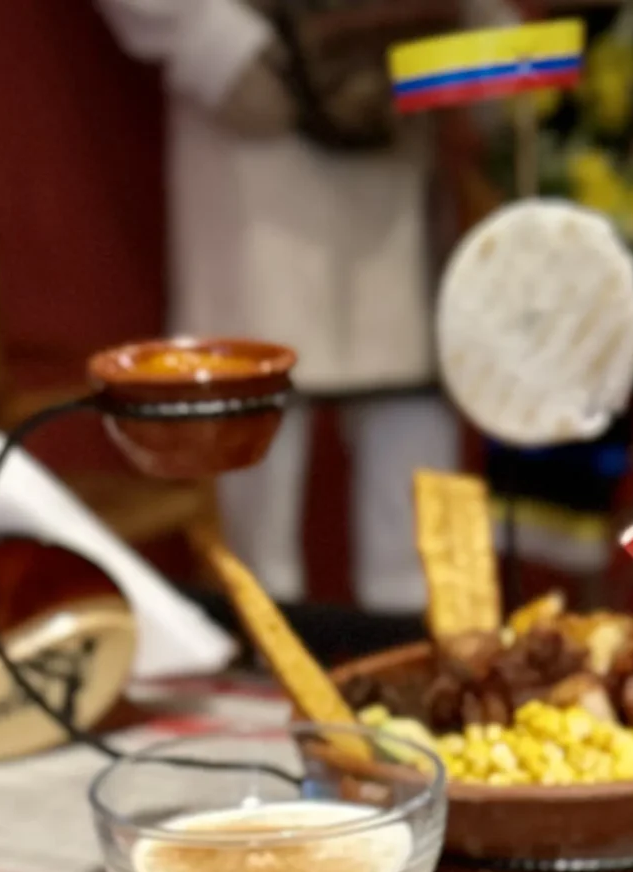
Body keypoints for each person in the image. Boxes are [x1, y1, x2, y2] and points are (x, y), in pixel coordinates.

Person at [95, 0, 459, 610]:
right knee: (258, 416)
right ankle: (264, 640)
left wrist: (471, 31)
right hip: (262, 116)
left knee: (411, 442)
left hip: (397, 105)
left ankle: (422, 641)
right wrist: (212, 40)